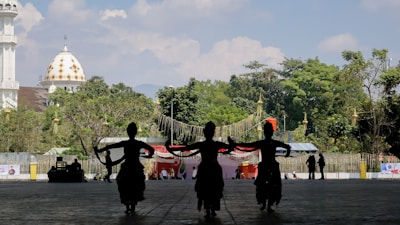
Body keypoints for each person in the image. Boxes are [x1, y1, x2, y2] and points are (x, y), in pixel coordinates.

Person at [165, 121, 232, 218]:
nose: (209, 133)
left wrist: (169, 147)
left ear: (206, 132)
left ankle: (209, 208)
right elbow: (230, 147)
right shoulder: (216, 144)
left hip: (205, 168)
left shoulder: (203, 145)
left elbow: (185, 148)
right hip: (213, 168)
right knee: (213, 188)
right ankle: (211, 209)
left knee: (206, 188)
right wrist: (230, 143)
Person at [228, 121, 291, 213]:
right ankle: (267, 204)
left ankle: (266, 204)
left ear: (265, 132)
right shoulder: (273, 143)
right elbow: (287, 147)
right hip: (270, 166)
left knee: (268, 185)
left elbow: (248, 145)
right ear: (270, 132)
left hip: (267, 166)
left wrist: (235, 144)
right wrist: (287, 154)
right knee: (269, 185)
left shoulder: (263, 143)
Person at [95, 122, 154, 214]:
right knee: (134, 185)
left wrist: (99, 150)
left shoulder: (126, 143)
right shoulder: (138, 143)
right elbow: (151, 149)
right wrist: (149, 155)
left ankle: (128, 206)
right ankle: (132, 205)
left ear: (128, 132)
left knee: (125, 184)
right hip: (135, 166)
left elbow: (111, 146)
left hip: (128, 166)